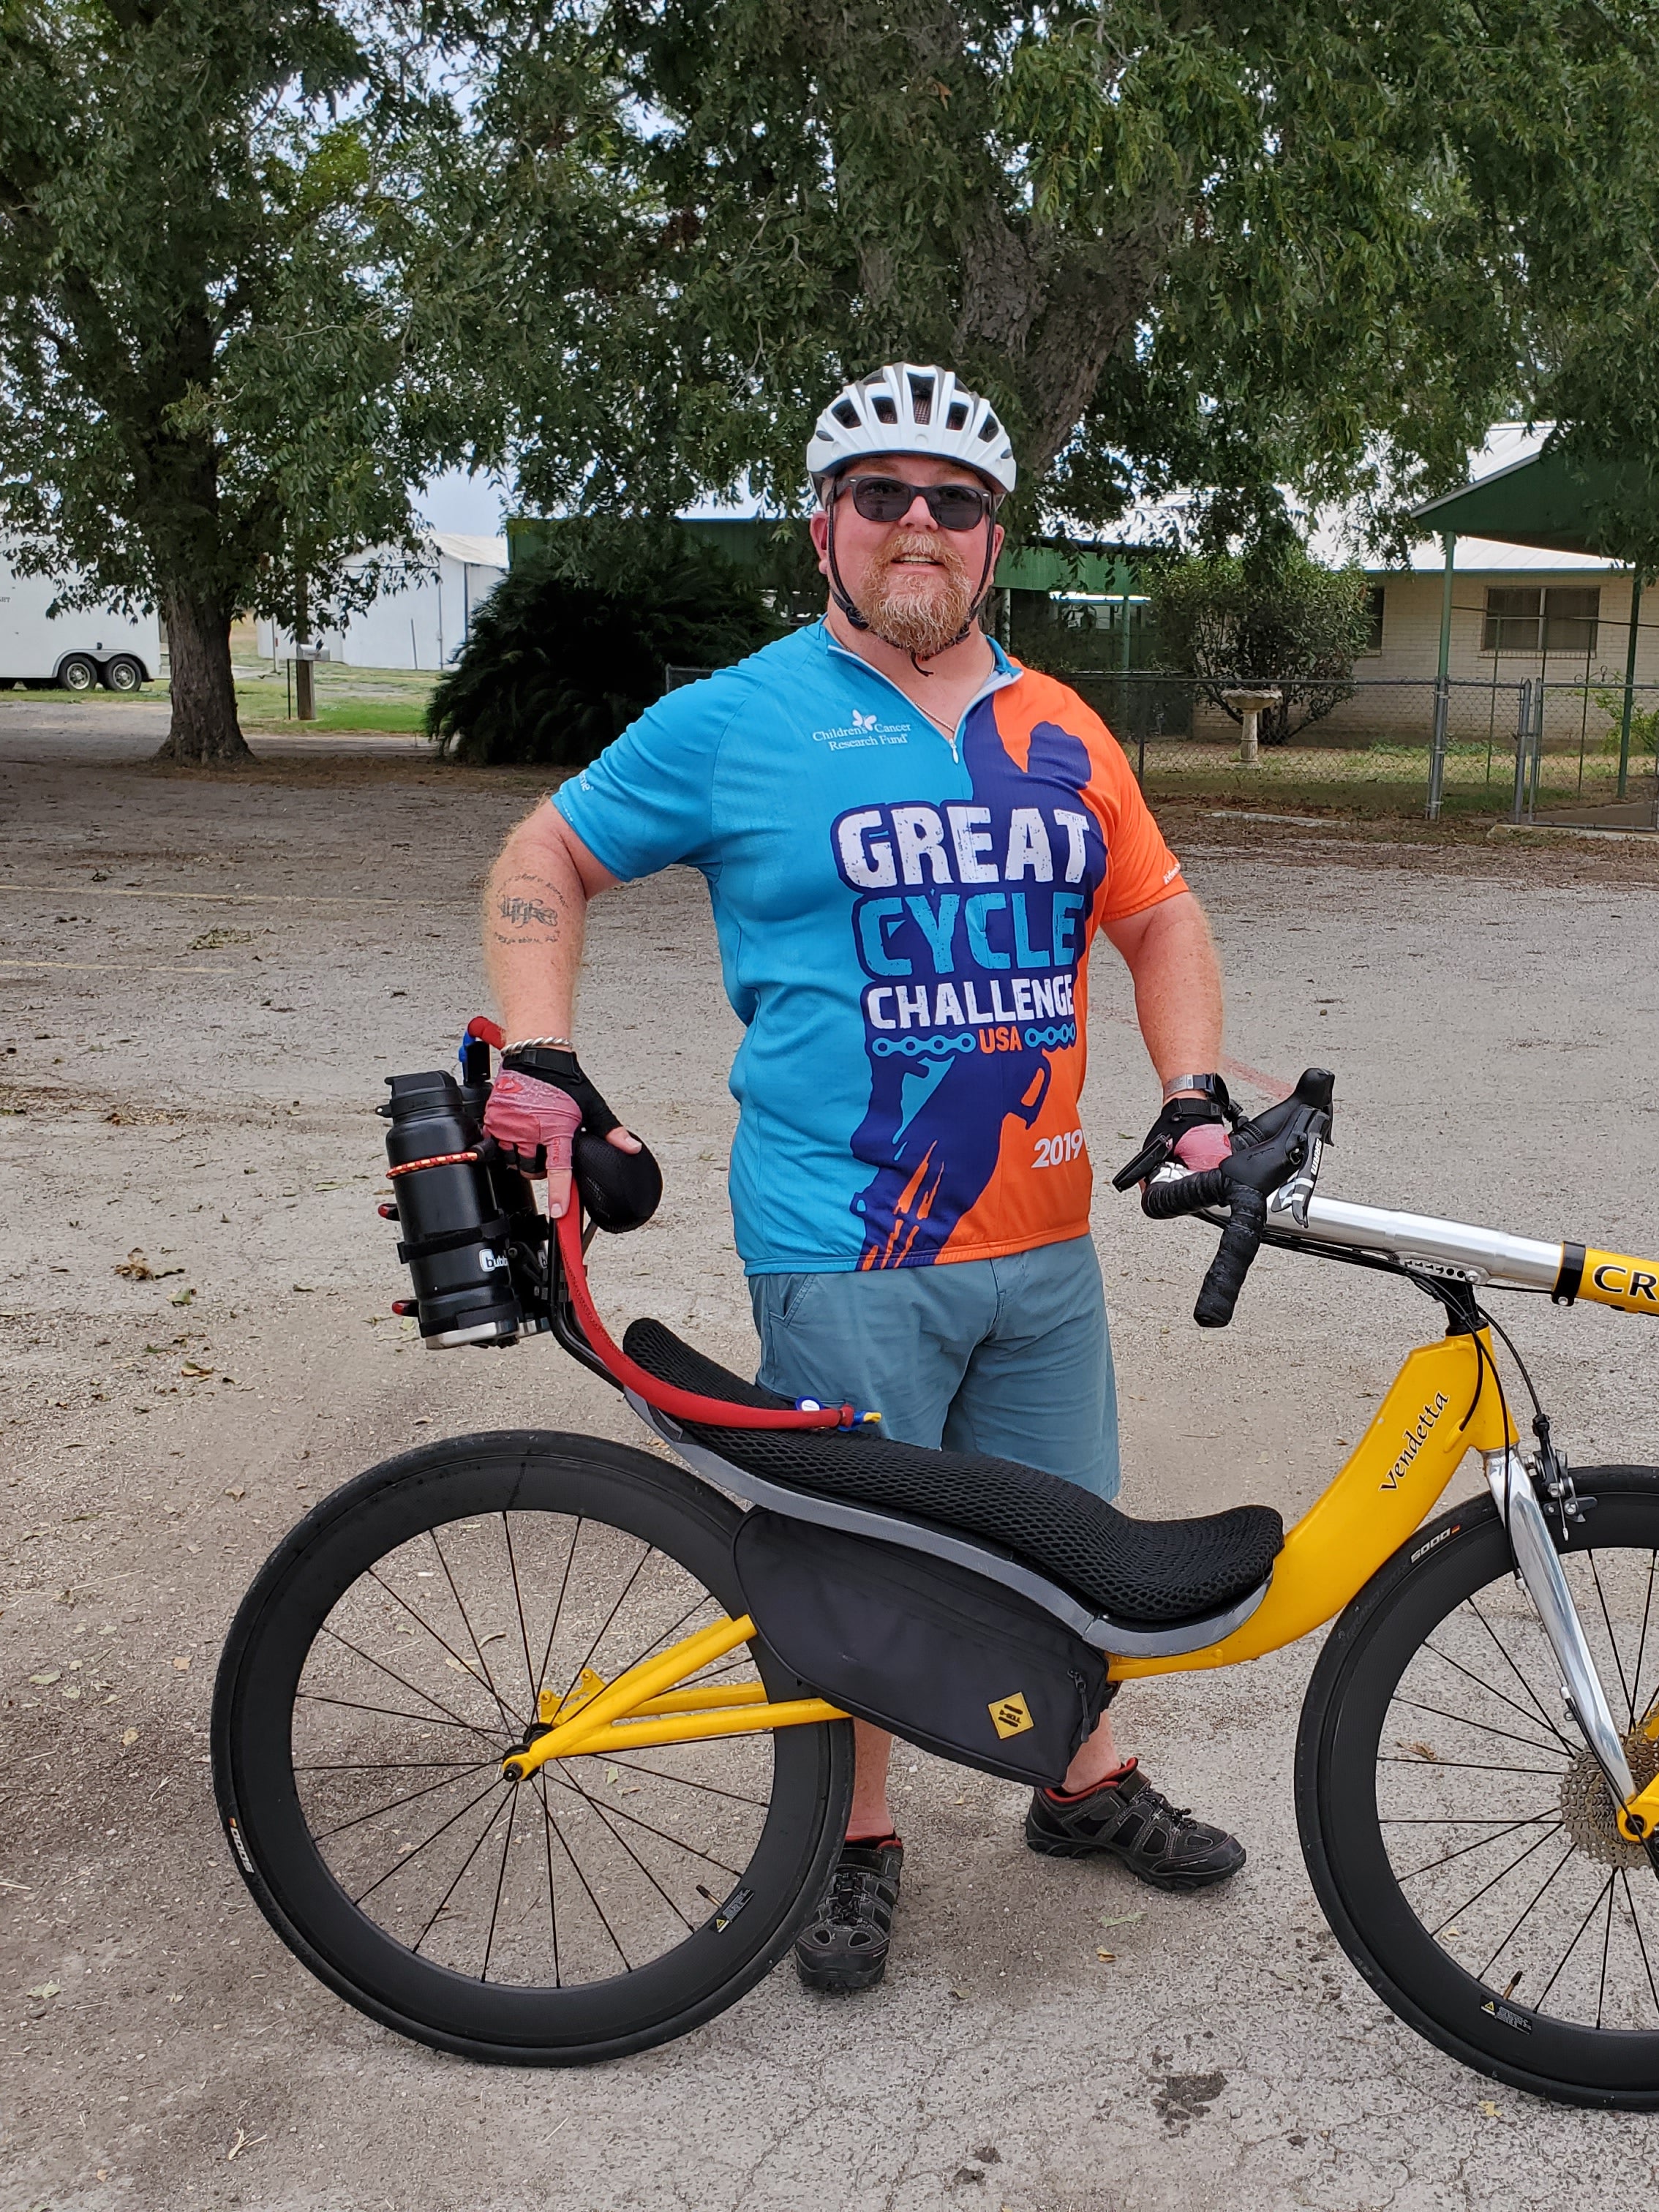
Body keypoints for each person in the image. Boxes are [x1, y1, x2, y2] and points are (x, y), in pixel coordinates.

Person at [475, 363, 1246, 1996]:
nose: (920, 525)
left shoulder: (1062, 726)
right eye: (882, 495)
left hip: (1044, 1244)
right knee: (862, 1573)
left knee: (1071, 1549)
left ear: (992, 542)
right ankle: (857, 1838)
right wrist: (536, 1051)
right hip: (844, 1242)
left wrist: (1194, 1091)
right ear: (822, 526)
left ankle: (1079, 1785)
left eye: (954, 503)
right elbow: (546, 854)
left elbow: (1161, 913)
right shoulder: (739, 719)